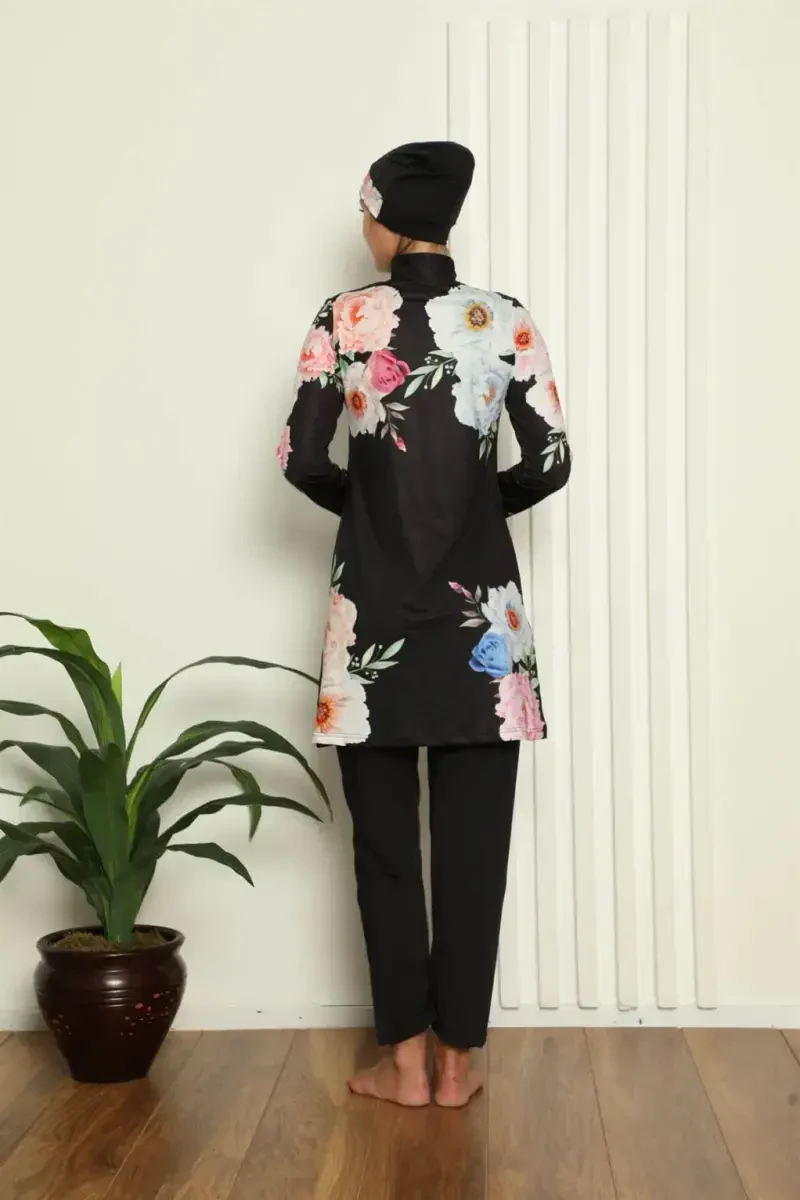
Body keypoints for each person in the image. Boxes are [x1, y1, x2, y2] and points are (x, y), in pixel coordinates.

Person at [277, 141, 571, 1107]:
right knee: (476, 851)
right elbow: (552, 460)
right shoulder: (507, 320)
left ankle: (402, 1066)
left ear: (387, 220)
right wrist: (474, 513)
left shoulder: (343, 320)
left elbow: (299, 458)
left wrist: (372, 511)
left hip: (370, 622)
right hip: (486, 625)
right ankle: (457, 1068)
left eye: (364, 212)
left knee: (385, 852)